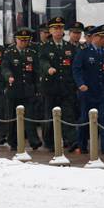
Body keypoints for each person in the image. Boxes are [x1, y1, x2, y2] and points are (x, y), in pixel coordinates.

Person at [72, 25, 104, 154]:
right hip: (88, 92)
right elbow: (76, 69)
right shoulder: (84, 52)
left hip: (103, 92)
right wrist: (81, 84)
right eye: (101, 37)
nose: (103, 40)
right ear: (94, 37)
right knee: (85, 120)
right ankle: (82, 145)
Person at [39, 16, 78, 151]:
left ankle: (72, 140)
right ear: (50, 30)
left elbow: (74, 66)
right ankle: (49, 142)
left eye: (60, 28)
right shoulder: (45, 47)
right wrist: (48, 68)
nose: (58, 31)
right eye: (55, 28)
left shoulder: (69, 47)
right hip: (50, 87)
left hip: (66, 87)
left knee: (68, 115)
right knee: (49, 116)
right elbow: (42, 61)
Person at [3, 27, 42, 151]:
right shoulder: (9, 53)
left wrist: (38, 87)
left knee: (30, 117)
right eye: (21, 40)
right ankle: (13, 142)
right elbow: (4, 68)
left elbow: (37, 71)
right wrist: (9, 76)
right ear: (16, 40)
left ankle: (34, 141)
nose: (24, 43)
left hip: (28, 90)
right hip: (14, 90)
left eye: (26, 40)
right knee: (13, 118)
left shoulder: (32, 53)